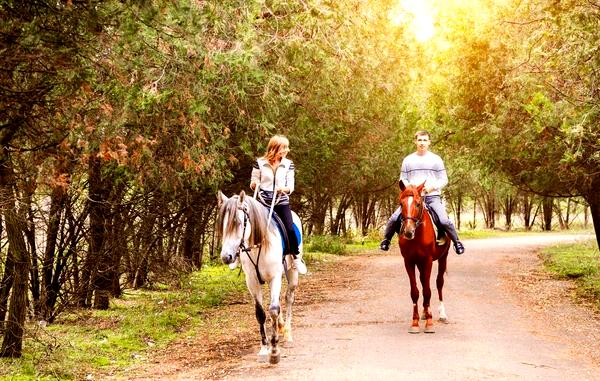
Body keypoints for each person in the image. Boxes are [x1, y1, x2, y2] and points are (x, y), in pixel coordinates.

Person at [380, 130, 465, 255]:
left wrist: (432, 187)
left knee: (443, 220)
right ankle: (386, 240)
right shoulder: (408, 160)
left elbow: (444, 179)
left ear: (429, 142)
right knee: (393, 218)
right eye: (419, 140)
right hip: (413, 198)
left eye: (425, 140)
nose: (422, 143)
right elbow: (403, 178)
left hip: (432, 197)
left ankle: (457, 242)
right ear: (415, 141)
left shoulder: (436, 159)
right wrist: (410, 188)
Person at [245, 134, 307, 274]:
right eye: (283, 147)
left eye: (286, 147)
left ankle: (295, 257)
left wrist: (283, 189)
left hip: (281, 200)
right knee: (247, 224)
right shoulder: (259, 163)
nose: (286, 150)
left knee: (290, 228)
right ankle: (238, 256)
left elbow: (291, 186)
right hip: (262, 202)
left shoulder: (288, 164)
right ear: (274, 148)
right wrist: (254, 184)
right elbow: (253, 181)